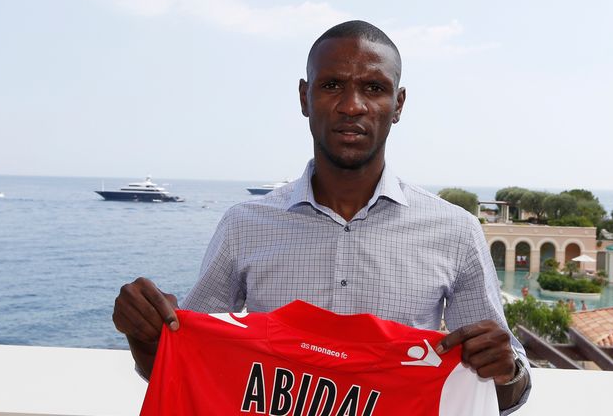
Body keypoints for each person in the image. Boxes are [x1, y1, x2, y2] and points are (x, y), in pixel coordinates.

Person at [113, 20, 530, 413]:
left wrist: (504, 368)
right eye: (332, 85)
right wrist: (146, 336)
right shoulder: (244, 225)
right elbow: (189, 365)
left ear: (398, 104)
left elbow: (509, 388)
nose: (352, 105)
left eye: (374, 87)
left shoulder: (455, 231)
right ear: (304, 97)